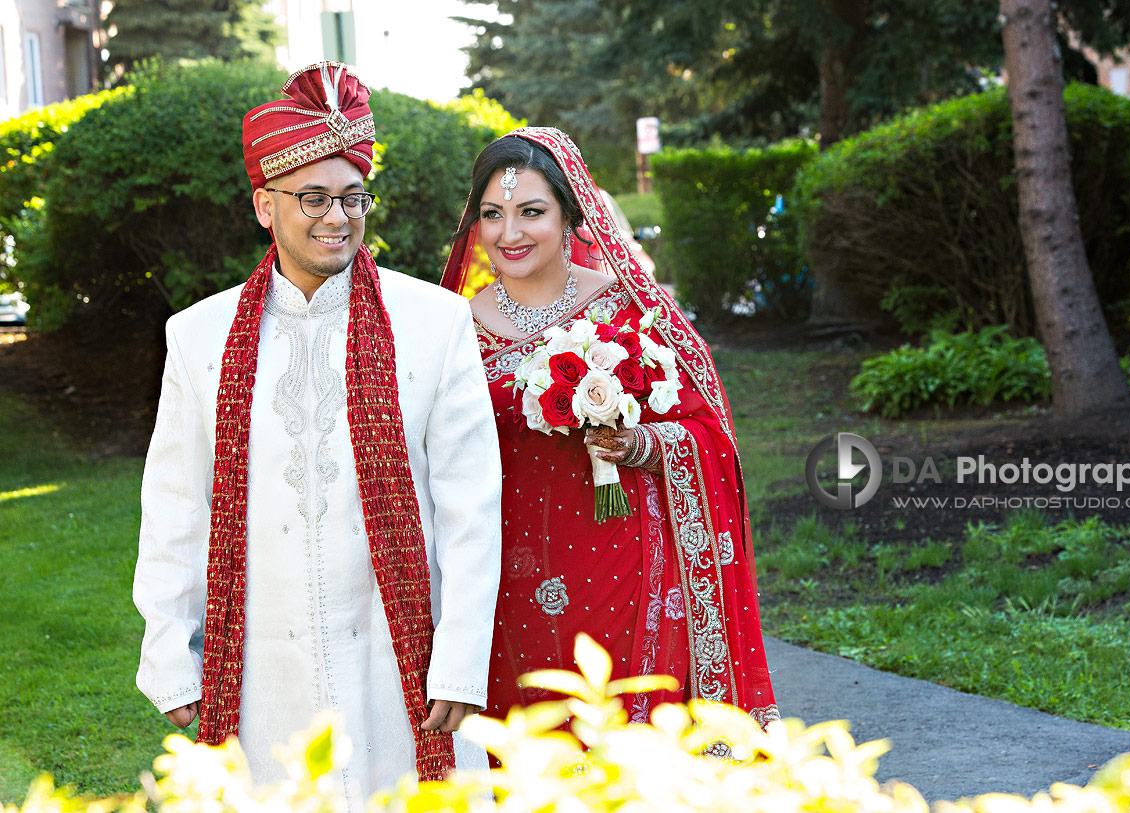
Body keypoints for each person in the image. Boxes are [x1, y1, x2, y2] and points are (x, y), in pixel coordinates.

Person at [132, 62, 501, 803]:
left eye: (353, 196)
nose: (338, 217)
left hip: (405, 669)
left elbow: (470, 508)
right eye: (313, 198)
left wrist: (459, 663)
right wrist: (172, 654)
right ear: (266, 206)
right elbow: (177, 508)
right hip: (260, 673)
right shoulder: (199, 336)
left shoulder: (434, 322)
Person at [440, 127, 778, 729]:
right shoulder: (451, 328)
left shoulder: (631, 311)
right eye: (492, 214)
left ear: (571, 213)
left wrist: (640, 442)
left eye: (531, 212)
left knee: (622, 734)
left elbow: (709, 438)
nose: (508, 233)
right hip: (500, 577)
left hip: (623, 565)